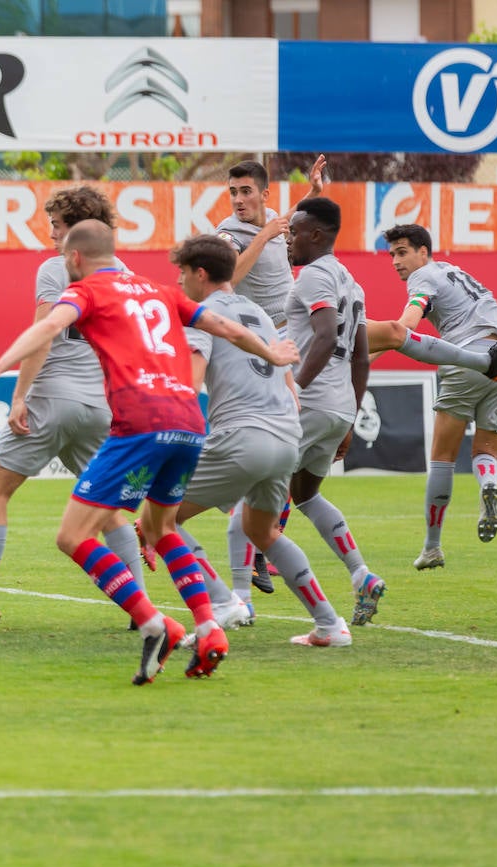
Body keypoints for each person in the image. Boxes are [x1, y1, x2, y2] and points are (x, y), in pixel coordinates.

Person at [0, 220, 299, 685]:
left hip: (140, 422)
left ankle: (155, 624)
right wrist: (273, 356)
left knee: (72, 537)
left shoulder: (89, 290)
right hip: (190, 421)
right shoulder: (160, 290)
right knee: (161, 526)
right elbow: (222, 326)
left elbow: (50, 325)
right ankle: (210, 627)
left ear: (74, 258)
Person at [0, 186, 150, 635]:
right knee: (108, 507)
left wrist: (19, 396)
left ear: (75, 229)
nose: (50, 234)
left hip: (52, 399)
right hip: (100, 406)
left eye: (56, 225)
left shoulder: (57, 269)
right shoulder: (126, 274)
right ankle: (140, 605)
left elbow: (44, 333)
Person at [170, 235, 352, 647]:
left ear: (200, 274)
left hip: (243, 434)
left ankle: (222, 601)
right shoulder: (259, 314)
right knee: (263, 530)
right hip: (287, 436)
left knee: (160, 518)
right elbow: (291, 388)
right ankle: (329, 624)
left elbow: (191, 381)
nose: (180, 282)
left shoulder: (200, 314)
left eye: (182, 273)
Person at [215, 155, 324, 599]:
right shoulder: (228, 233)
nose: (238, 200)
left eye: (245, 192)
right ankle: (255, 541)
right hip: (255, 344)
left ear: (263, 195)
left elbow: (292, 215)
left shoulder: (279, 222)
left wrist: (315, 190)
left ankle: (262, 538)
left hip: (289, 338)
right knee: (267, 442)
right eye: (233, 192)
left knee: (288, 446)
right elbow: (227, 276)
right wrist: (262, 234)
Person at [283, 196, 387, 625]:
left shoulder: (314, 277)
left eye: (293, 232)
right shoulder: (351, 280)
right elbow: (361, 358)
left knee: (258, 496)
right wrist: (349, 417)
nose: (288, 239)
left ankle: (235, 597)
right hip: (339, 404)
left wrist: (294, 390)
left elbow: (325, 338)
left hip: (309, 402)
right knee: (304, 495)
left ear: (315, 235)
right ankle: (362, 574)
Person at [375, 223, 497, 570]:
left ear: (423, 252)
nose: (396, 262)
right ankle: (489, 483)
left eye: (402, 253)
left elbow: (405, 326)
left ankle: (432, 547)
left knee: (443, 457)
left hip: (466, 359)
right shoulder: (455, 271)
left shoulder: (424, 276)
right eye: (391, 255)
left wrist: (367, 355)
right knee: (487, 449)